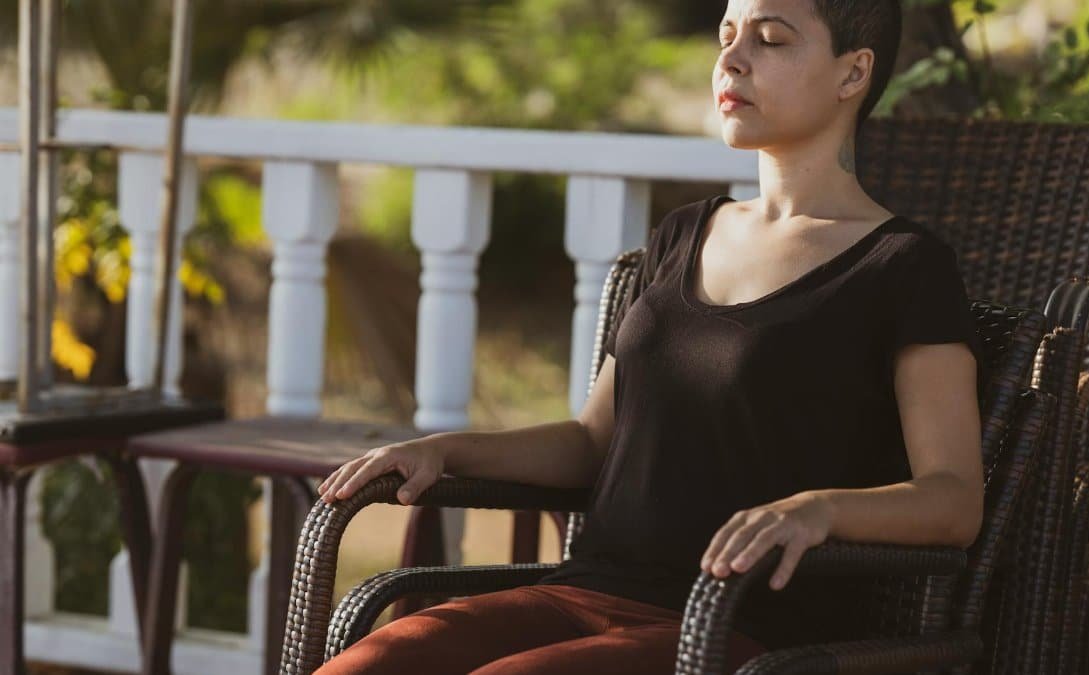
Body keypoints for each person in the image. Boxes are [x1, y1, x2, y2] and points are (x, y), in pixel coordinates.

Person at [314, 1, 988, 673]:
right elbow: (591, 442)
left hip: (737, 624)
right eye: (726, 36)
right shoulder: (682, 234)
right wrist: (443, 448)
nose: (732, 59)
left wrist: (817, 511)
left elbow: (954, 497)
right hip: (583, 593)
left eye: (771, 40)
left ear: (853, 73)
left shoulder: (903, 264)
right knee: (366, 664)